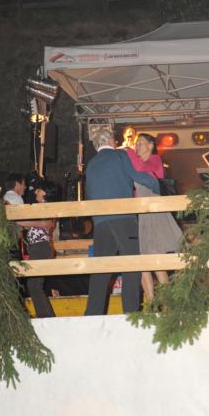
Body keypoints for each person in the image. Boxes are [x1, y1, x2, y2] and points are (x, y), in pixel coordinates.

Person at [84, 127, 160, 316]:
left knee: (100, 271)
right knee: (132, 266)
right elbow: (136, 175)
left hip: (101, 222)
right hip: (124, 219)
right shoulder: (120, 156)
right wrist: (156, 183)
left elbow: (89, 194)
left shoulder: (91, 164)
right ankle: (131, 312)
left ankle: (92, 314)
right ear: (112, 141)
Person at [126, 133, 183, 303]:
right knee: (143, 260)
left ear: (151, 146)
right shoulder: (136, 163)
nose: (137, 146)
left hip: (154, 215)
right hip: (141, 215)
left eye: (141, 143)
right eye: (136, 144)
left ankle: (167, 304)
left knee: (156, 258)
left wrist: (128, 152)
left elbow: (140, 170)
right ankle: (151, 304)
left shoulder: (155, 160)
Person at [22, 179, 57, 318]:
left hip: (41, 248)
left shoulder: (47, 207)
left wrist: (17, 221)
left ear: (45, 193)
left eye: (39, 189)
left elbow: (45, 223)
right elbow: (32, 225)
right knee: (34, 285)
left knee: (34, 285)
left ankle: (46, 317)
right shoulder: (40, 208)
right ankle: (46, 316)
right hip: (37, 248)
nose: (35, 191)